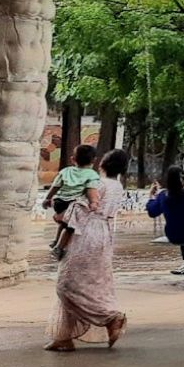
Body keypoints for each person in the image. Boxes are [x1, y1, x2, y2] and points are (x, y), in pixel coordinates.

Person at [47, 148, 129, 352]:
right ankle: (64, 336)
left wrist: (60, 218)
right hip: (103, 235)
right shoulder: (118, 186)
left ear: (102, 163)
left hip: (84, 234)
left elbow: (79, 209)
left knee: (67, 285)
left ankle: (110, 318)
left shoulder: (97, 183)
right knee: (91, 283)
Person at [41, 143, 99, 259]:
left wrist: (47, 199)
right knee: (70, 226)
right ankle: (59, 248)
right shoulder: (92, 174)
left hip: (59, 202)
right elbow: (91, 190)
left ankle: (56, 241)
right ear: (94, 160)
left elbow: (55, 186)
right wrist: (93, 202)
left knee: (64, 223)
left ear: (73, 159)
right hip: (72, 204)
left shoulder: (65, 171)